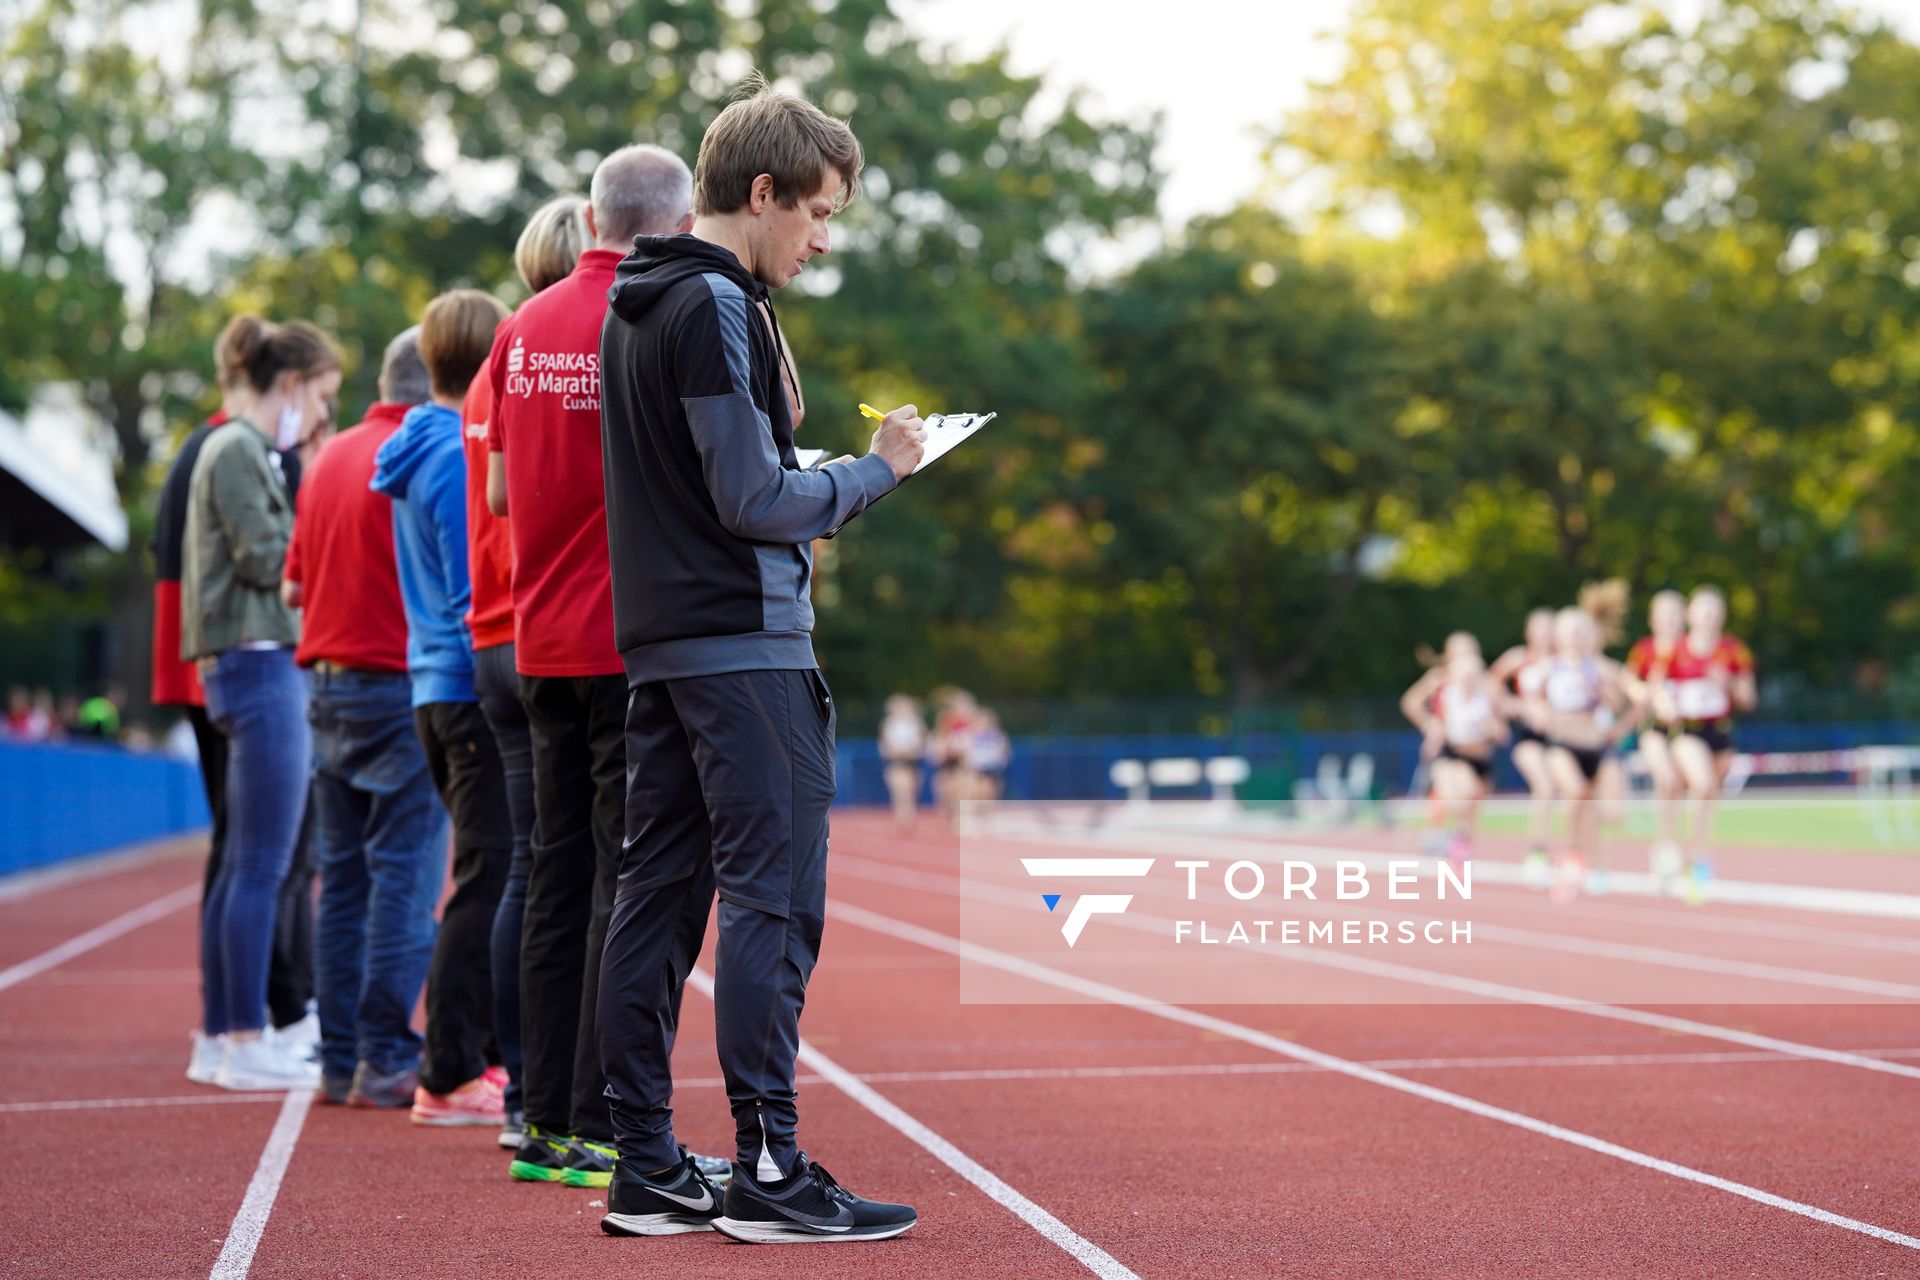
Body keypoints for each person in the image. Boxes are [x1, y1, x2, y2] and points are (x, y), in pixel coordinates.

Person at [596, 83, 924, 1243]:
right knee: (771, 906)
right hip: (745, 649)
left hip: (666, 644)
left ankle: (644, 1164)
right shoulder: (715, 303)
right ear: (764, 191)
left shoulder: (632, 298)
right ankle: (771, 1168)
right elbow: (749, 497)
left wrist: (808, 476)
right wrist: (878, 470)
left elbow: (699, 483)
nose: (824, 241)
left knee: (656, 900)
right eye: (820, 214)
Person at [486, 144, 716, 1190]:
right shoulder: (661, 315)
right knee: (632, 883)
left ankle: (538, 1115)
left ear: (588, 217)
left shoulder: (520, 326)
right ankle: (603, 1119)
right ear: (675, 224)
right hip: (628, 635)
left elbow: (493, 493)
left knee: (552, 876)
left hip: (536, 638)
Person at [180, 313, 340, 1091]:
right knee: (262, 865)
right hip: (259, 660)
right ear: (290, 384)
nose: (319, 418)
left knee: (250, 862)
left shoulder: (239, 448)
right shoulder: (241, 449)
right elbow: (268, 558)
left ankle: (224, 1032)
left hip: (248, 661)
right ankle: (243, 1034)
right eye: (320, 397)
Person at [463, 193, 593, 1151]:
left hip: (493, 631)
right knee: (576, 873)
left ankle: (524, 1095)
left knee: (532, 868)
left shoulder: (498, 359)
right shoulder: (569, 347)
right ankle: (565, 1099)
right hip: (551, 625)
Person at [284, 328, 443, 1106]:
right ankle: (386, 1056)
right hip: (396, 684)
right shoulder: (426, 452)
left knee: (340, 881)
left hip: (325, 687)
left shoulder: (327, 461)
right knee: (403, 879)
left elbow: (293, 589)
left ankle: (339, 1056)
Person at [371, 289, 515, 1128]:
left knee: (488, 875)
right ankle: (450, 1068)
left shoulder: (415, 441)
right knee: (485, 877)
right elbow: (473, 590)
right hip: (464, 686)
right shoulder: (448, 455)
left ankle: (477, 1056)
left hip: (436, 684)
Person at [1529, 608, 1630, 903]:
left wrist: (1607, 703)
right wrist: (1543, 716)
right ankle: (1572, 853)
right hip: (1562, 744)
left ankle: (1595, 860)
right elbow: (1533, 702)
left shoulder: (1601, 668)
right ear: (1559, 636)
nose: (1575, 637)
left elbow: (1623, 702)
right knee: (1576, 791)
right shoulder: (1548, 668)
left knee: (1609, 811)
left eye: (1580, 631)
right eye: (1570, 631)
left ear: (1589, 636)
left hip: (1597, 745)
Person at [1666, 586, 1757, 900]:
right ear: (1690, 614)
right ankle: (1693, 861)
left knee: (1708, 796)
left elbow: (1749, 698)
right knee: (1702, 785)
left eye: (1715, 611)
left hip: (1720, 732)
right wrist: (1664, 704)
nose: (1709, 617)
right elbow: (1653, 689)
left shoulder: (1733, 651)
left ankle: (1694, 851)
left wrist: (1728, 682)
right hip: (1686, 731)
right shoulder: (1673, 650)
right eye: (1703, 610)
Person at [1400, 633, 1506, 873]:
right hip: (1451, 750)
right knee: (1460, 794)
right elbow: (1411, 702)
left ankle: (1458, 847)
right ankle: (1438, 830)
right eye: (1460, 653)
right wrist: (1430, 724)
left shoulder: (1486, 683)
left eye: (1470, 652)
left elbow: (1501, 717)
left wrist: (1496, 728)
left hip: (1481, 755)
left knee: (1471, 808)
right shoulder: (1440, 679)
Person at [1623, 589, 1688, 887]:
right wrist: (1647, 692)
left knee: (1679, 785)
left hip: (1687, 729)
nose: (1670, 622)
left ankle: (1672, 842)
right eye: (1664, 617)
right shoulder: (1645, 650)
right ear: (1653, 620)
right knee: (1667, 778)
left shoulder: (1692, 650)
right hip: (1653, 728)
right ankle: (1664, 846)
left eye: (1675, 616)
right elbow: (1628, 680)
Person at [1490, 609, 1557, 885]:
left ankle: (1579, 853)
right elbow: (1490, 683)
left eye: (1549, 629)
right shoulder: (1518, 658)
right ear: (1528, 632)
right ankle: (1537, 852)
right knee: (1545, 786)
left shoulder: (1563, 661)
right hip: (1526, 735)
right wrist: (1510, 708)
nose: (1544, 634)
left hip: (1560, 736)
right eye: (1539, 629)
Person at [878, 695, 926, 827]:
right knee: (899, 789)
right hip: (896, 761)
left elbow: (921, 742)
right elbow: (884, 744)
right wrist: (894, 751)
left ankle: (908, 812)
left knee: (911, 790)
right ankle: (904, 814)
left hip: (912, 761)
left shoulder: (915, 723)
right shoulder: (888, 723)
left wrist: (912, 750)